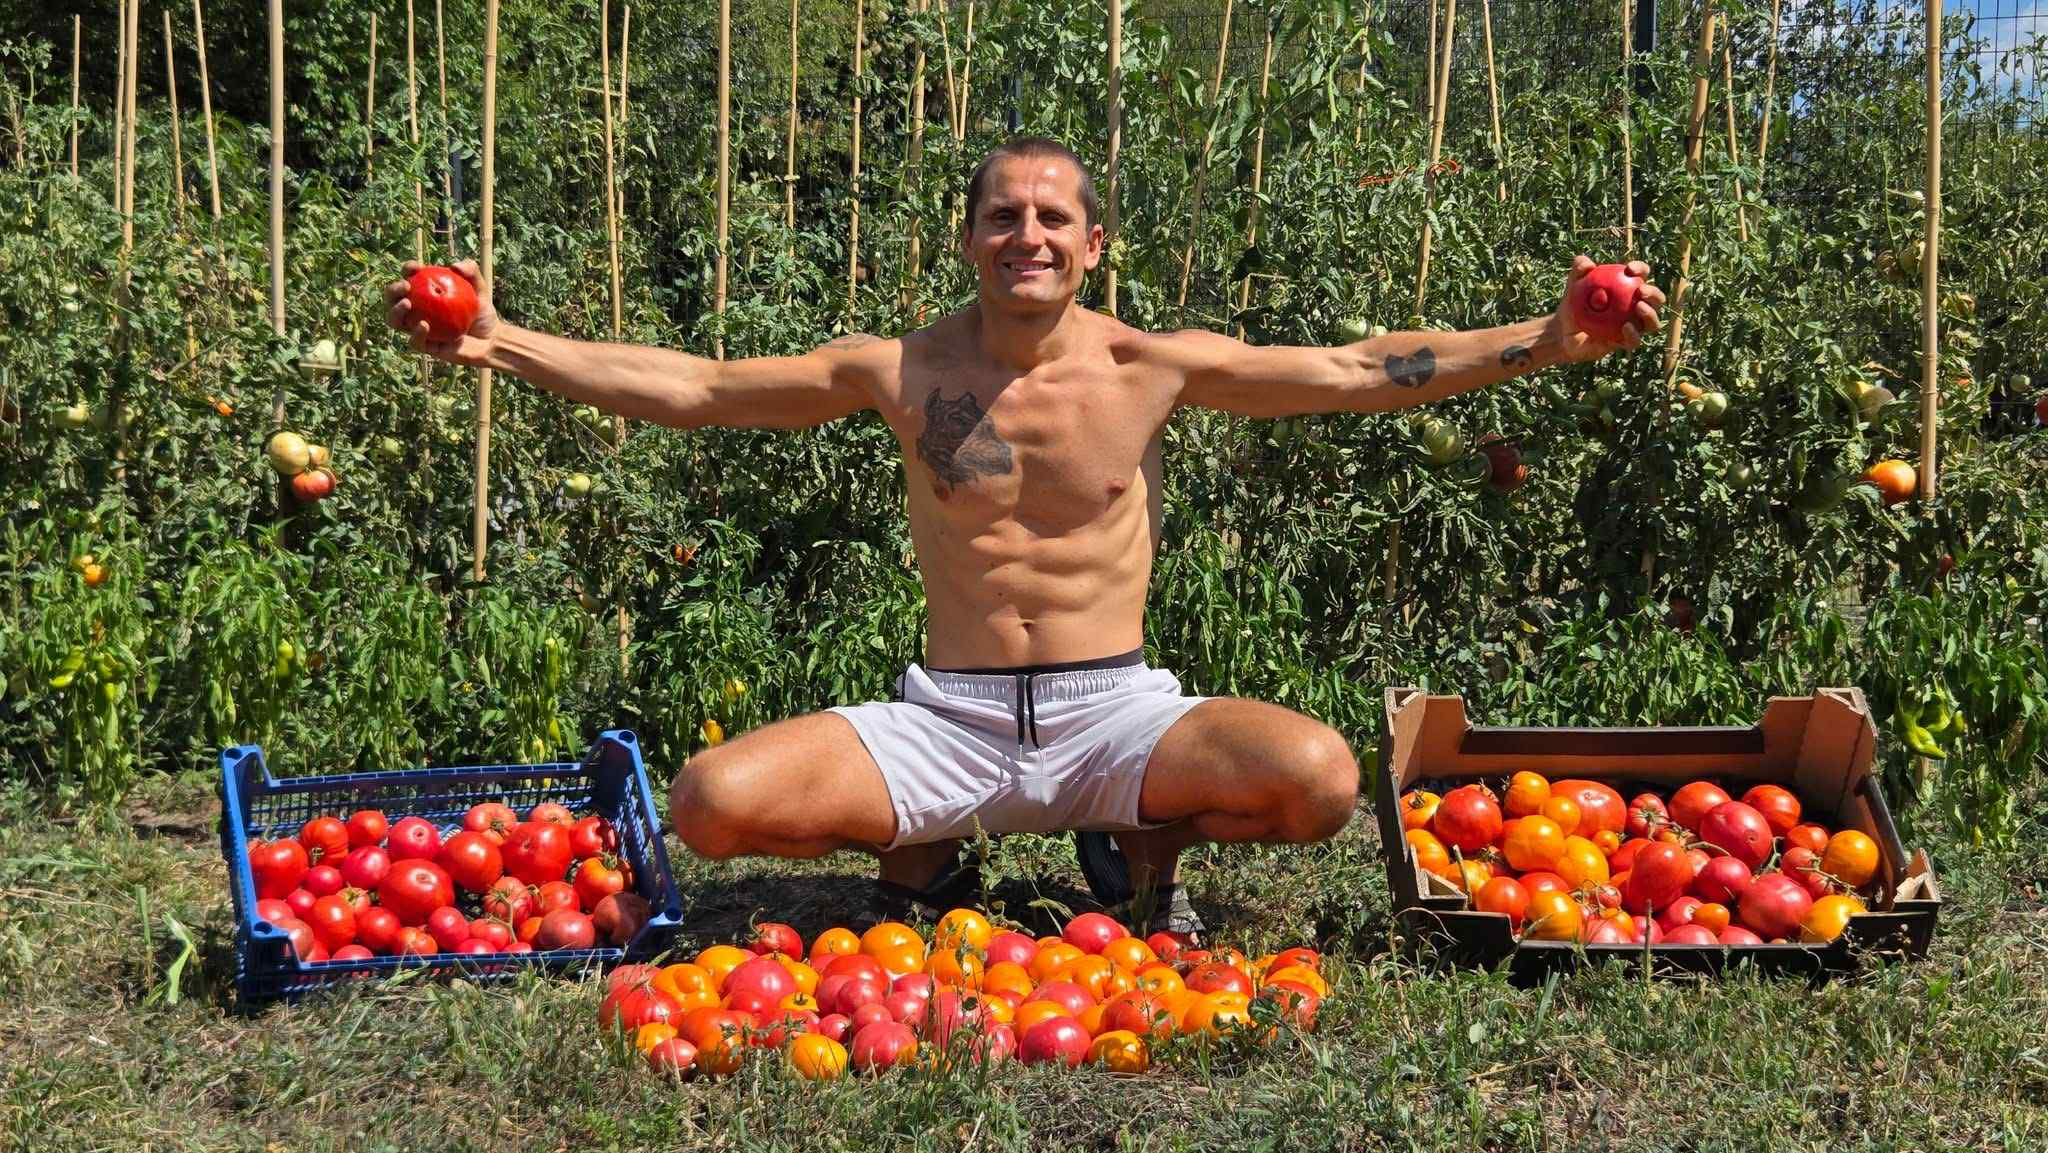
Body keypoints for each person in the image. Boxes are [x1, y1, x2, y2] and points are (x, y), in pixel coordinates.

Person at [386, 135, 1665, 939]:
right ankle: (928, 848)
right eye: (1003, 215)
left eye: (1053, 218)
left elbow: (1352, 367)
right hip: (948, 718)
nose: (1028, 235)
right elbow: (702, 388)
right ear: (968, 239)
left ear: (1092, 244)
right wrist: (499, 339)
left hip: (1117, 714)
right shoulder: (899, 370)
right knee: (711, 804)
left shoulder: (1148, 366)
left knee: (1320, 777)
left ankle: (1143, 833)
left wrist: (1541, 339)